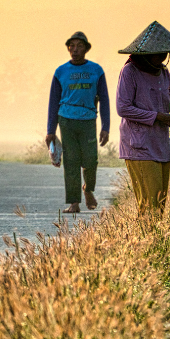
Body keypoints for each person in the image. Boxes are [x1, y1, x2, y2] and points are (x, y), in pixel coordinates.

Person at [116, 21, 170, 217]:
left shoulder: (163, 73)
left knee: (159, 204)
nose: (161, 58)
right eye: (156, 54)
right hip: (139, 145)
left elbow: (165, 105)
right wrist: (157, 117)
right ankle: (144, 243)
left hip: (160, 144)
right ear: (145, 54)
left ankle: (153, 243)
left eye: (164, 54)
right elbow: (123, 107)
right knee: (149, 204)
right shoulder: (129, 72)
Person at [45, 31, 110, 214]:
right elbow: (53, 102)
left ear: (86, 49)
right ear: (68, 48)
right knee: (71, 162)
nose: (75, 49)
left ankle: (88, 189)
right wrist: (50, 130)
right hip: (66, 120)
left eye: (79, 46)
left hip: (88, 120)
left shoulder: (96, 71)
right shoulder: (61, 72)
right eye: (71, 46)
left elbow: (104, 99)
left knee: (91, 160)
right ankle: (74, 202)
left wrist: (106, 127)